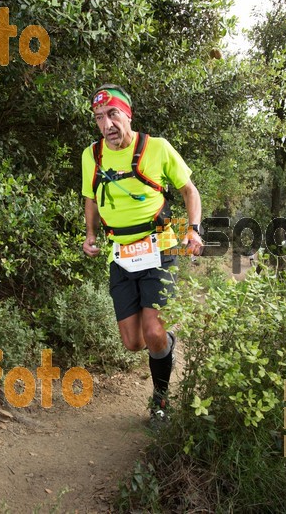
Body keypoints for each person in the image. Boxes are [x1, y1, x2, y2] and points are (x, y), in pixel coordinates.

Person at [80, 84, 204, 423]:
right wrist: (90, 235)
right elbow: (91, 197)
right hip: (120, 255)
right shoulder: (92, 156)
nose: (107, 125)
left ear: (128, 114)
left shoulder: (157, 148)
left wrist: (194, 229)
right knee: (133, 342)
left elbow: (189, 191)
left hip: (159, 248)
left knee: (152, 332)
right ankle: (167, 343)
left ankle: (160, 402)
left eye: (112, 114)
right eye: (99, 118)